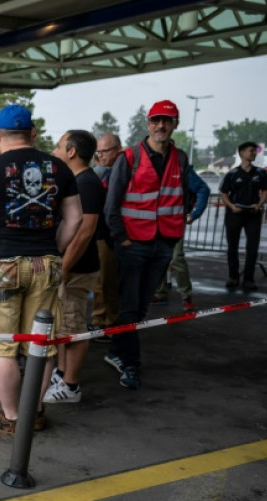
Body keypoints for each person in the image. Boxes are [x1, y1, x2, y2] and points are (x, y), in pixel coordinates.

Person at [0, 105, 81, 436]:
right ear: (33, 134)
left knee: (1, 345)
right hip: (45, 264)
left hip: (0, 265)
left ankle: (13, 418)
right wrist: (54, 248)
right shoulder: (59, 168)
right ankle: (36, 412)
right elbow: (75, 218)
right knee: (39, 344)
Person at [103, 99, 191, 390]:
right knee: (129, 307)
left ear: (175, 124)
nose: (160, 126)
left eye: (166, 120)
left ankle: (116, 350)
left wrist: (175, 233)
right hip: (133, 244)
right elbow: (111, 204)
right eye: (155, 120)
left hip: (163, 244)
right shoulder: (129, 157)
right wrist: (122, 239)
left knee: (140, 308)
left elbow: (183, 195)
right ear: (147, 124)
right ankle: (130, 364)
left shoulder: (180, 158)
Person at [45, 130, 102, 404]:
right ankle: (61, 372)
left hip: (77, 269)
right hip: (70, 267)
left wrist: (63, 270)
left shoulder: (87, 183)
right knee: (64, 324)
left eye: (58, 147)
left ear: (71, 152)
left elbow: (85, 231)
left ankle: (70, 385)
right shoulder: (77, 180)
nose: (54, 152)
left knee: (74, 325)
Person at [151, 165, 210, 310]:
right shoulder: (152, 165)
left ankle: (186, 297)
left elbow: (203, 189)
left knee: (176, 258)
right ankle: (160, 292)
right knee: (156, 256)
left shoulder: (181, 168)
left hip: (175, 220)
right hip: (155, 219)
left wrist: (194, 214)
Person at [220, 141, 267, 292]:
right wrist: (231, 206)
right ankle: (233, 277)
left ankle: (249, 279)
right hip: (235, 213)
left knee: (252, 248)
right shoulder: (232, 173)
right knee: (232, 247)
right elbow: (223, 194)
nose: (253, 153)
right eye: (250, 151)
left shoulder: (260, 173)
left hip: (253, 214)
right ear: (242, 153)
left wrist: (259, 204)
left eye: (255, 151)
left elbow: (265, 191)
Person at [90, 133, 122, 338]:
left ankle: (106, 323)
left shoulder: (119, 173)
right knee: (102, 281)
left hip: (110, 236)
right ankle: (102, 320)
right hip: (103, 234)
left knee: (107, 282)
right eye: (98, 152)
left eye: (105, 151)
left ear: (118, 149)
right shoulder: (108, 172)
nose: (101, 155)